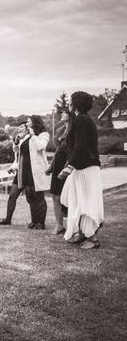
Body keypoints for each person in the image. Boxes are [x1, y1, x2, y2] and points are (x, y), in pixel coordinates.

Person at [59, 91, 103, 249]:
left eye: (71, 101)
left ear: (76, 103)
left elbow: (81, 146)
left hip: (86, 167)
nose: (68, 104)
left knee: (85, 201)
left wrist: (70, 166)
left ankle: (92, 238)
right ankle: (82, 232)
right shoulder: (81, 120)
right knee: (77, 200)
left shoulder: (82, 120)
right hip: (83, 167)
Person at [18, 116, 50, 230]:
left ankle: (40, 222)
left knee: (38, 197)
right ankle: (34, 221)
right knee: (30, 196)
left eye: (28, 121)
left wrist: (33, 135)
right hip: (26, 169)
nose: (27, 123)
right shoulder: (26, 136)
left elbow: (40, 147)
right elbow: (19, 150)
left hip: (36, 170)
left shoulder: (43, 135)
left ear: (34, 123)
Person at [0, 123, 28, 225]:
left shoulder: (29, 139)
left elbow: (26, 158)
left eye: (22, 127)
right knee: (12, 196)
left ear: (27, 130)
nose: (19, 129)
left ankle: (37, 222)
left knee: (32, 198)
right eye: (19, 127)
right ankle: (7, 219)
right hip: (19, 172)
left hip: (28, 173)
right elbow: (17, 157)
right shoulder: (20, 140)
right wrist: (13, 167)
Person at [45, 112, 70, 235]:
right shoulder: (60, 129)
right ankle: (59, 225)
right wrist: (51, 167)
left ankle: (73, 226)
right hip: (57, 165)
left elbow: (72, 151)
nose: (62, 114)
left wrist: (66, 168)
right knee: (55, 196)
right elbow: (58, 150)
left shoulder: (74, 130)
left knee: (69, 197)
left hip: (68, 165)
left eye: (65, 112)